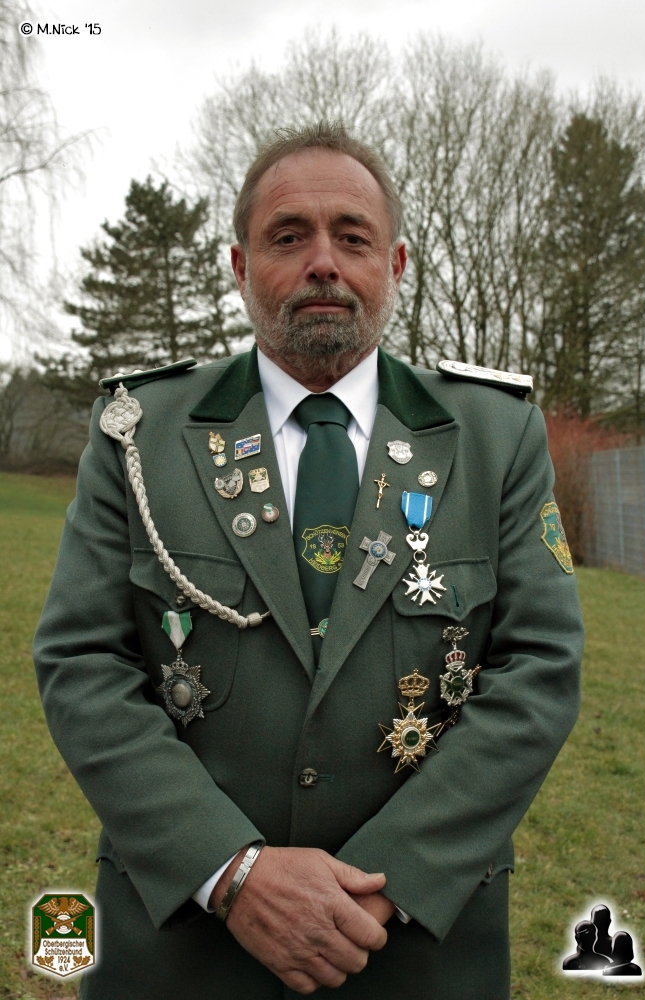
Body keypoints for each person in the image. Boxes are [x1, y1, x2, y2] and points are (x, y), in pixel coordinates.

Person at [34, 122, 584, 999]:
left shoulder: (494, 434)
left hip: (413, 947)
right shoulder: (139, 432)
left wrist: (386, 884)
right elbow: (82, 661)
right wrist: (232, 872)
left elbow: (540, 669)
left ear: (395, 265)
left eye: (351, 237)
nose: (322, 262)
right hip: (186, 948)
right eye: (287, 237)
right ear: (239, 266)